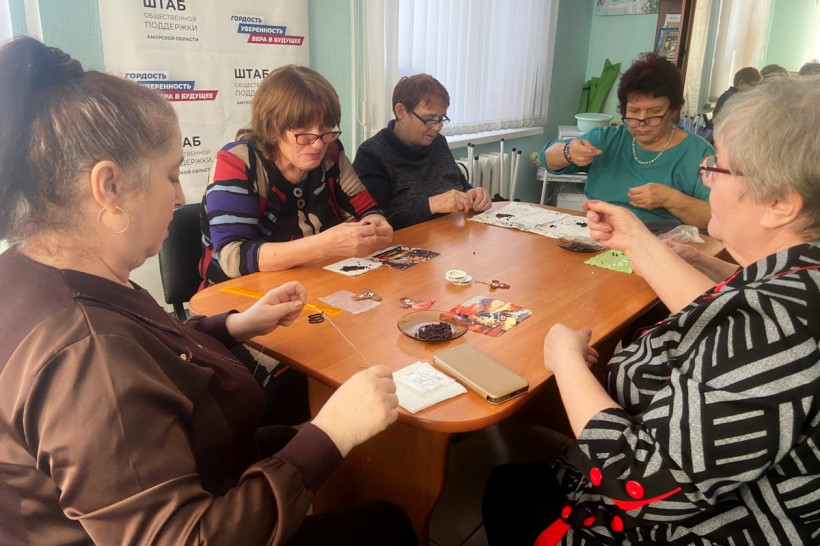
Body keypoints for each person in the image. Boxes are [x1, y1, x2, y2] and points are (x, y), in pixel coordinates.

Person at [0, 37, 417, 545]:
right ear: (109, 188)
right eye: (172, 175)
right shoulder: (87, 356)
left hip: (197, 462)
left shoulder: (39, 271)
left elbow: (148, 347)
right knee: (386, 523)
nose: (182, 197)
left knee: (283, 439)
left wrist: (233, 325)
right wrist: (333, 431)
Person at [482, 75, 820, 544]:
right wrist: (637, 240)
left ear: (780, 204)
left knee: (508, 491)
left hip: (679, 525)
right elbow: (728, 312)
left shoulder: (777, 331)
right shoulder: (799, 275)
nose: (707, 177)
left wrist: (565, 360)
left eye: (717, 169)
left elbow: (639, 483)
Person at [200, 65, 393, 286]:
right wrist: (323, 245)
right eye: (303, 131)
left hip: (316, 280)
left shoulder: (331, 152)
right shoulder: (237, 163)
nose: (318, 143)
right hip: (241, 293)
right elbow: (233, 258)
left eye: (326, 127)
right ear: (272, 129)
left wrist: (375, 223)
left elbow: (364, 210)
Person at [541, 53, 713, 229]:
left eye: (655, 112)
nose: (642, 121)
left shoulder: (698, 153)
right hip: (599, 234)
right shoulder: (607, 139)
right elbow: (547, 158)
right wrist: (569, 151)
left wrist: (670, 199)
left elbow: (715, 217)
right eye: (634, 111)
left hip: (662, 241)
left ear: (673, 110)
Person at [352, 74, 492, 230]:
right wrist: (430, 205)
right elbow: (374, 222)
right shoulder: (372, 154)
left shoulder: (438, 142)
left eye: (441, 118)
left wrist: (472, 193)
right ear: (401, 111)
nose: (437, 127)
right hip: (409, 241)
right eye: (429, 118)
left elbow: (460, 185)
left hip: (452, 234)